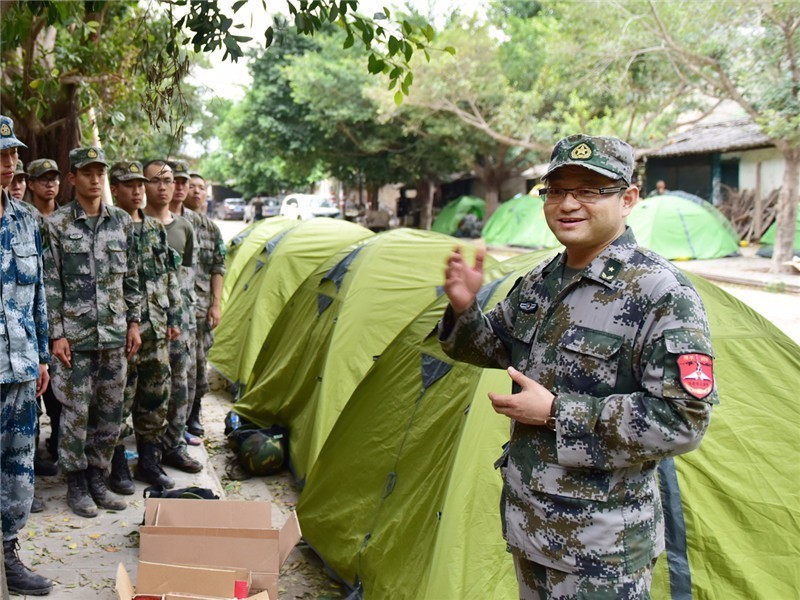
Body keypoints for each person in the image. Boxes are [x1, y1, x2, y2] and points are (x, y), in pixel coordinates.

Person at [439, 134, 717, 599]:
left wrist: (555, 412)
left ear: (628, 199)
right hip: (531, 527)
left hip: (602, 552)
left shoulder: (661, 293)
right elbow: (493, 349)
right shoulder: (541, 282)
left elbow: (683, 421)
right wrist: (465, 309)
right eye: (557, 190)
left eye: (590, 191)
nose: (569, 204)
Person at [45, 146, 141, 518]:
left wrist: (133, 323)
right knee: (74, 413)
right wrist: (57, 334)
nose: (95, 178)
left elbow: (130, 279)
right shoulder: (57, 225)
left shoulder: (121, 222)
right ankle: (77, 484)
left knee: (110, 412)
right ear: (73, 179)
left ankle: (99, 479)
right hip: (76, 338)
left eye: (100, 172)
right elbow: (51, 283)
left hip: (115, 335)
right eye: (87, 172)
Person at [0, 114, 53, 595]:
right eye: (2, 153)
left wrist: (41, 356)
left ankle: (9, 553)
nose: (11, 161)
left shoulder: (24, 220)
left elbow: (37, 296)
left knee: (19, 465)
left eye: (13, 152)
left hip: (17, 368)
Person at [107, 161, 181, 493]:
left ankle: (148, 462)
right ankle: (118, 464)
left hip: (157, 323)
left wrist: (175, 317)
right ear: (116, 189)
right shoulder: (110, 229)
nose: (137, 191)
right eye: (130, 185)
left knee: (156, 395)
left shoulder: (154, 229)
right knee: (121, 397)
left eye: (141, 185)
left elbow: (169, 276)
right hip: (122, 329)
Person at [142, 160, 202, 473]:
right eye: (156, 181)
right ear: (144, 185)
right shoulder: (132, 226)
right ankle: (146, 452)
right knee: (146, 392)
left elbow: (186, 278)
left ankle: (173, 446)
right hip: (144, 324)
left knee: (180, 387)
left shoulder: (184, 228)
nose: (164, 187)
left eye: (168, 180)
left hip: (178, 324)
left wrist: (181, 319)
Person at [26, 159, 63, 481]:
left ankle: (59, 450)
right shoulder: (24, 220)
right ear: (31, 184)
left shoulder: (67, 219)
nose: (50, 184)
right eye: (43, 179)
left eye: (54, 178)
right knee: (33, 400)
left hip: (64, 326)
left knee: (60, 399)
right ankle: (33, 462)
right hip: (34, 325)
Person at [184, 173, 225, 438]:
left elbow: (217, 267)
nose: (197, 192)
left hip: (201, 307)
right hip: (180, 307)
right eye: (192, 187)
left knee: (201, 363)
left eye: (202, 188)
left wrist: (216, 304)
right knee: (181, 367)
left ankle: (194, 414)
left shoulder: (211, 228)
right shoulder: (175, 223)